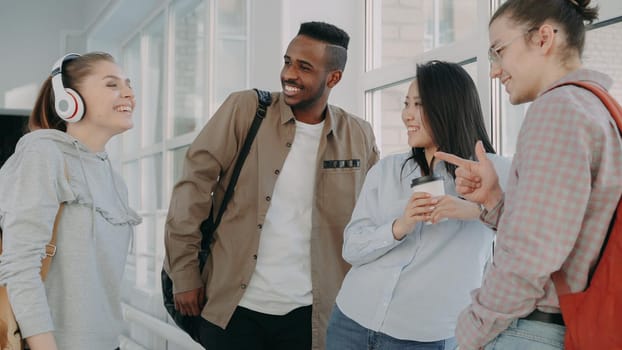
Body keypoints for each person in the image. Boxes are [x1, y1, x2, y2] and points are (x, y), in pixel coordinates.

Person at [163, 21, 379, 349]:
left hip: (312, 315)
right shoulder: (246, 110)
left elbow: (374, 215)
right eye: (287, 61)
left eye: (304, 67)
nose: (289, 74)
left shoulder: (358, 135)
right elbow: (192, 187)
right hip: (234, 309)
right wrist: (184, 272)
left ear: (333, 78)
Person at [434, 1, 622, 349]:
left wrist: (473, 329)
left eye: (499, 51)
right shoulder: (601, 109)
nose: (494, 70)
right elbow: (565, 236)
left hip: (531, 332)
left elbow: (530, 255)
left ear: (543, 38)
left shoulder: (557, 110)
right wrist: (493, 200)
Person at [325, 61, 511, 350]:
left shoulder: (494, 170)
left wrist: (476, 210)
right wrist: (400, 226)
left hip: (424, 338)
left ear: (448, 107)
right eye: (406, 104)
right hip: (351, 321)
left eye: (418, 105)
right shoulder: (387, 170)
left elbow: (537, 226)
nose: (406, 115)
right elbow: (352, 248)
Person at [0, 52, 141, 350]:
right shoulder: (43, 154)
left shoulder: (116, 182)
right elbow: (20, 266)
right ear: (69, 100)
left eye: (128, 84)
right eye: (111, 84)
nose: (128, 92)